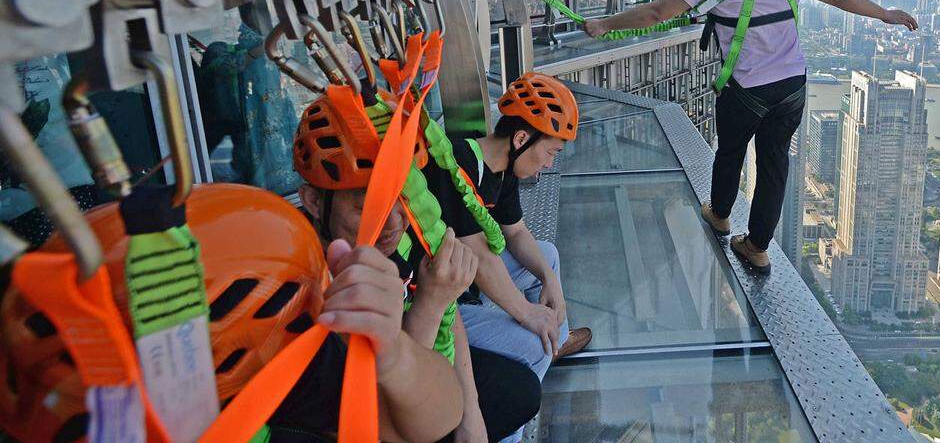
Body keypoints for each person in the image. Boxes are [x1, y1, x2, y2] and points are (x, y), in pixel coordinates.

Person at [583, 0, 918, 275]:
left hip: (746, 87)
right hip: (792, 85)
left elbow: (656, 13)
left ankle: (721, 216)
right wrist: (885, 13)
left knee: (730, 152)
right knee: (775, 163)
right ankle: (757, 247)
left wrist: (603, 25)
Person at [0, 182, 464, 443]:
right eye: (372, 204)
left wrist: (394, 352)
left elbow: (429, 421)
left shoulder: (274, 320)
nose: (394, 222)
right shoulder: (256, 311)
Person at [294, 87, 542, 443]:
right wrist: (430, 303)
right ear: (314, 202)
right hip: (373, 409)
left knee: (519, 391)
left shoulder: (390, 236)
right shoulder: (306, 285)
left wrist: (471, 418)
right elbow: (391, 418)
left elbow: (448, 314)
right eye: (369, 206)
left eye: (402, 197)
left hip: (415, 357)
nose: (394, 222)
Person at [422, 73, 592, 388]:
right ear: (521, 140)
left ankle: (557, 336)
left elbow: (515, 233)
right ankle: (540, 355)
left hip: (472, 282)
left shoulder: (503, 169)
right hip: (448, 304)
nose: (549, 164)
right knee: (533, 349)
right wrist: (527, 312)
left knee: (547, 255)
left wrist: (549, 280)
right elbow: (479, 255)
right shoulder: (458, 165)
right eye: (550, 152)